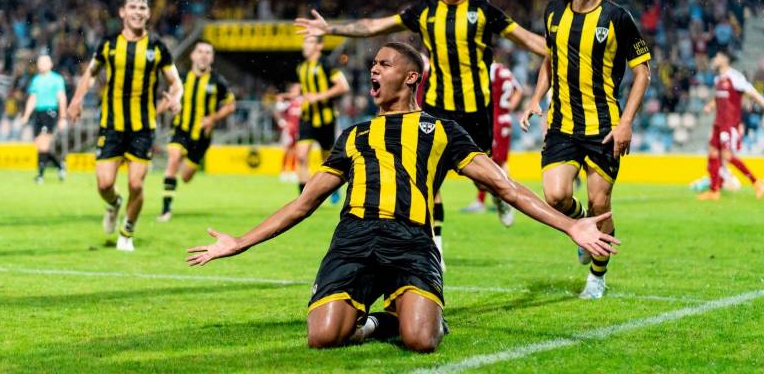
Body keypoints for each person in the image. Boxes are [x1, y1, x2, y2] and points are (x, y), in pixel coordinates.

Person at [186, 42, 619, 353]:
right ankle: (381, 320)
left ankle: (411, 316)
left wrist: (570, 224)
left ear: (411, 76)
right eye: (372, 64)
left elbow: (506, 187)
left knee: (421, 341)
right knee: (323, 337)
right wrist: (238, 243)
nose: (373, 70)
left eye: (384, 64)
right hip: (353, 240)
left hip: (411, 240)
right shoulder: (353, 136)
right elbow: (303, 204)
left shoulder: (442, 132)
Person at [295, 0, 547, 267]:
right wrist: (332, 30)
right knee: (425, 177)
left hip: (475, 110)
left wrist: (563, 50)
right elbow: (375, 26)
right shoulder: (424, 11)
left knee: (483, 179)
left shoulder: (484, 11)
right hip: (437, 108)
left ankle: (496, 197)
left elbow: (529, 40)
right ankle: (435, 245)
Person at [520, 0, 651, 299]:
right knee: (556, 196)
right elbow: (551, 58)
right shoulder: (552, 12)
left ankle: (596, 276)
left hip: (604, 128)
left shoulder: (618, 17)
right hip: (562, 125)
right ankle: (582, 227)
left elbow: (643, 74)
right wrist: (535, 97)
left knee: (600, 205)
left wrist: (625, 124)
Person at [68, 0, 183, 251]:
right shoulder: (108, 44)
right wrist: (76, 100)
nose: (138, 12)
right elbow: (91, 73)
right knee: (105, 184)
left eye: (143, 7)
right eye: (132, 7)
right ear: (122, 12)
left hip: (143, 127)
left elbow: (175, 83)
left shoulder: (157, 46)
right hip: (111, 126)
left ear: (148, 14)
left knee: (135, 183)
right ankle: (114, 204)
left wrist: (176, 99)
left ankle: (126, 232)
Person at [157, 40, 236, 222]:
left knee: (185, 176)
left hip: (201, 137)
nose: (203, 55)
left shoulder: (218, 82)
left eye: (208, 52)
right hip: (181, 129)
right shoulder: (182, 79)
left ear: (212, 58)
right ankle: (165, 210)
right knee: (173, 159)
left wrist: (212, 118)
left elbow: (230, 105)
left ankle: (181, 175)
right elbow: (168, 100)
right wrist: (153, 114)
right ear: (192, 55)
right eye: (200, 51)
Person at [462, 59, 523, 227]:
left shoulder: (485, 69)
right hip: (504, 118)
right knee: (498, 161)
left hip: (491, 119)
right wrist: (509, 107)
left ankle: (503, 199)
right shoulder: (505, 71)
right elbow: (520, 90)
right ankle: (500, 198)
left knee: (485, 160)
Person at [697, 49, 764, 200]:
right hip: (718, 123)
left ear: (725, 59)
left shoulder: (735, 77)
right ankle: (714, 191)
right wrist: (710, 106)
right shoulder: (718, 79)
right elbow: (718, 98)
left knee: (727, 156)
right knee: (713, 153)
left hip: (730, 124)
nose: (715, 58)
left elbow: (751, 92)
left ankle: (756, 182)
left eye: (717, 56)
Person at [291, 36, 349, 196]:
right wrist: (290, 96)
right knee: (301, 156)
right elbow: (301, 89)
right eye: (304, 42)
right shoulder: (301, 67)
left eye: (308, 42)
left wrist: (319, 96)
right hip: (307, 117)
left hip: (326, 118)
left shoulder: (326, 64)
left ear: (319, 45)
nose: (304, 45)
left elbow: (343, 86)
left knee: (328, 161)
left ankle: (333, 188)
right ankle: (303, 196)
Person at [20, 55, 68, 183]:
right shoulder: (36, 80)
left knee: (44, 144)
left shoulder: (57, 79)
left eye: (45, 62)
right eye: (40, 62)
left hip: (50, 112)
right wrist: (26, 115)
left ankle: (40, 176)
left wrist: (63, 117)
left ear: (51, 64)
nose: (42, 64)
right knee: (40, 145)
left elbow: (61, 97)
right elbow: (33, 98)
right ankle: (60, 165)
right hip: (38, 113)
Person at [273, 83, 303, 183]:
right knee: (287, 149)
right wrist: (281, 122)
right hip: (289, 130)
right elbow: (276, 109)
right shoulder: (288, 103)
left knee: (296, 150)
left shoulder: (302, 101)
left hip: (298, 130)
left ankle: (293, 171)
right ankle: (283, 171)